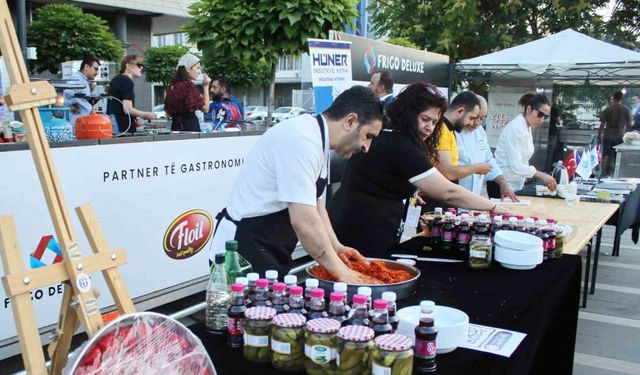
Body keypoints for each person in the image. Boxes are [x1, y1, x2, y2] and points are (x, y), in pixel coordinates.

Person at [210, 86, 385, 284]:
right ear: (350, 121)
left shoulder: (319, 140)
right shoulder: (302, 140)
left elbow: (316, 203)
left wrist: (336, 247)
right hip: (243, 252)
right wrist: (342, 272)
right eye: (368, 136)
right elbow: (304, 220)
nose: (366, 147)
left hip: (270, 248)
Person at [328, 82, 507, 260]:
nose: (429, 127)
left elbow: (383, 176)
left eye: (435, 122)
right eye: (425, 119)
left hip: (352, 219)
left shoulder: (390, 135)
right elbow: (448, 192)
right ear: (409, 115)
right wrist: (495, 207)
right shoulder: (401, 146)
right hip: (362, 229)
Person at [457, 95, 518, 201]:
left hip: (473, 198)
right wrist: (476, 168)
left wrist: (502, 182)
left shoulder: (480, 131)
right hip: (454, 196)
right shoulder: (453, 132)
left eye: (482, 118)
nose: (477, 123)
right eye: (474, 117)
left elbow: (488, 159)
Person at [495, 93, 557, 192]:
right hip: (503, 185)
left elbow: (523, 160)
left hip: (516, 184)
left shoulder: (526, 127)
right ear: (529, 109)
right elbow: (515, 165)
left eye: (545, 117)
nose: (541, 119)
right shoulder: (516, 128)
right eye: (540, 114)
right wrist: (541, 175)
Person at [434, 91, 491, 182]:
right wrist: (477, 168)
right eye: (471, 118)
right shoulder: (442, 129)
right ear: (460, 111)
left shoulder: (449, 130)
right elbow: (449, 173)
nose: (472, 123)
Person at [106, 55, 155, 134]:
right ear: (128, 66)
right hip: (121, 125)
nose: (141, 68)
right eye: (139, 65)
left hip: (114, 122)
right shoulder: (126, 81)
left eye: (142, 66)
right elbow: (127, 109)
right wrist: (147, 114)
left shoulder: (117, 79)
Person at [164, 54, 211, 132]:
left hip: (175, 127)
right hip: (190, 126)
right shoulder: (189, 86)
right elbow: (205, 108)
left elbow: (168, 113)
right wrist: (206, 86)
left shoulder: (172, 86)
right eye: (198, 68)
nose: (200, 72)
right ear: (188, 69)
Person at [599, 91, 631, 176]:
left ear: (614, 98)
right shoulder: (626, 109)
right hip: (620, 135)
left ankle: (604, 172)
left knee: (606, 154)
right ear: (621, 98)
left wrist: (599, 136)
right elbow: (630, 123)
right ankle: (619, 173)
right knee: (619, 154)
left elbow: (602, 124)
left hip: (608, 135)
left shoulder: (608, 109)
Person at [62, 58, 100, 124]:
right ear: (86, 67)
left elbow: (80, 96)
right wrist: (72, 105)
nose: (97, 73)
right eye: (95, 69)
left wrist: (90, 90)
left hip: (82, 120)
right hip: (77, 121)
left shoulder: (84, 80)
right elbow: (67, 92)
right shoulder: (76, 78)